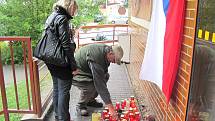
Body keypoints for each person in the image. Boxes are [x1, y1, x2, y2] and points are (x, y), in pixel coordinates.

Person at [44, 0, 78, 121]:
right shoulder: (63, 18)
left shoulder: (52, 16)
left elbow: (54, 37)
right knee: (64, 91)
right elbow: (66, 45)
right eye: (74, 9)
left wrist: (69, 33)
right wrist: (74, 66)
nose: (74, 12)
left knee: (57, 88)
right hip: (60, 60)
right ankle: (64, 118)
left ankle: (58, 117)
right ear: (70, 7)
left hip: (50, 59)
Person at [73, 43, 124, 120]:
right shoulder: (97, 58)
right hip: (76, 72)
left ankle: (90, 100)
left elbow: (102, 75)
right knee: (91, 86)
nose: (114, 62)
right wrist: (111, 109)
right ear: (110, 53)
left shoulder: (106, 52)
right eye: (114, 60)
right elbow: (100, 84)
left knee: (106, 76)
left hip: (87, 71)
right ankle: (80, 105)